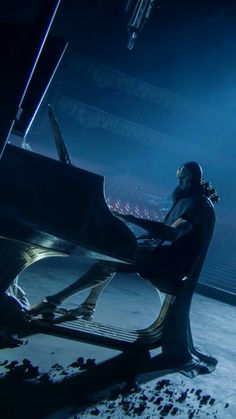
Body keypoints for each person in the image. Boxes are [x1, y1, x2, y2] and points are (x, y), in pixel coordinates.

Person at [29, 161, 219, 320]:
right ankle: (87, 306)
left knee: (113, 258)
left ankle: (53, 302)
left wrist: (132, 218)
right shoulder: (189, 201)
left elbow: (172, 234)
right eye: (179, 179)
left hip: (171, 265)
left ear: (194, 180)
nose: (180, 183)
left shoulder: (196, 205)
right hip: (166, 256)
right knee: (114, 255)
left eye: (184, 179)